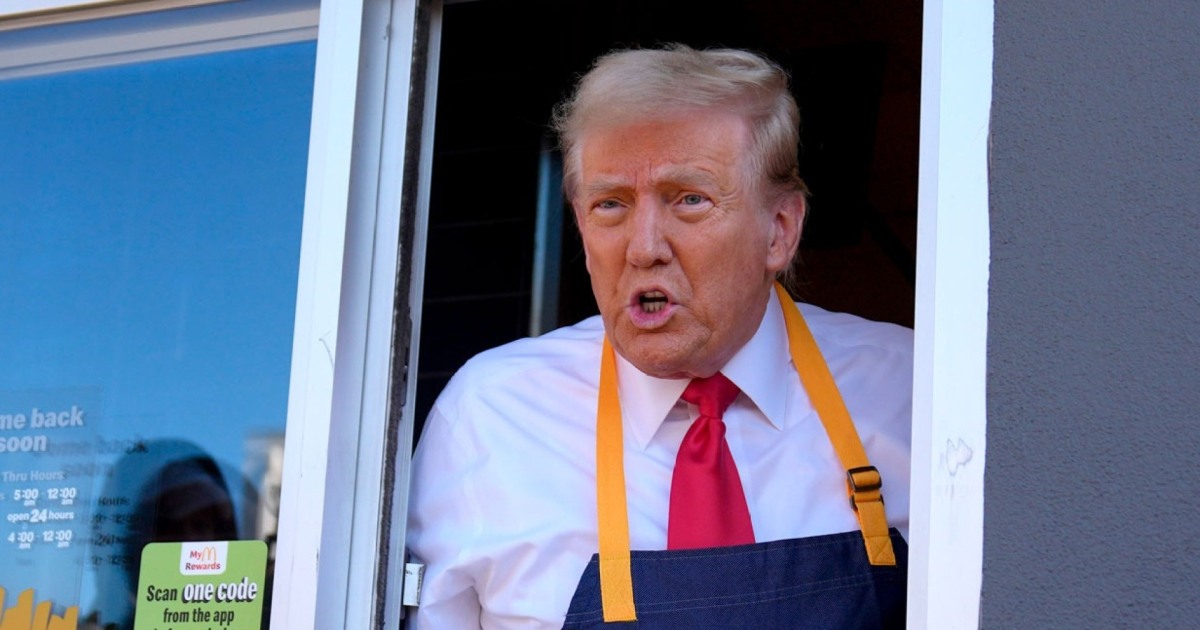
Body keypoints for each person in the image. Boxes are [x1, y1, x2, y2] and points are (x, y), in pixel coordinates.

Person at [406, 43, 912, 628]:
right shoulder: (489, 417)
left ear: (779, 230)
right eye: (611, 204)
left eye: (689, 200)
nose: (644, 247)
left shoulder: (912, 392)